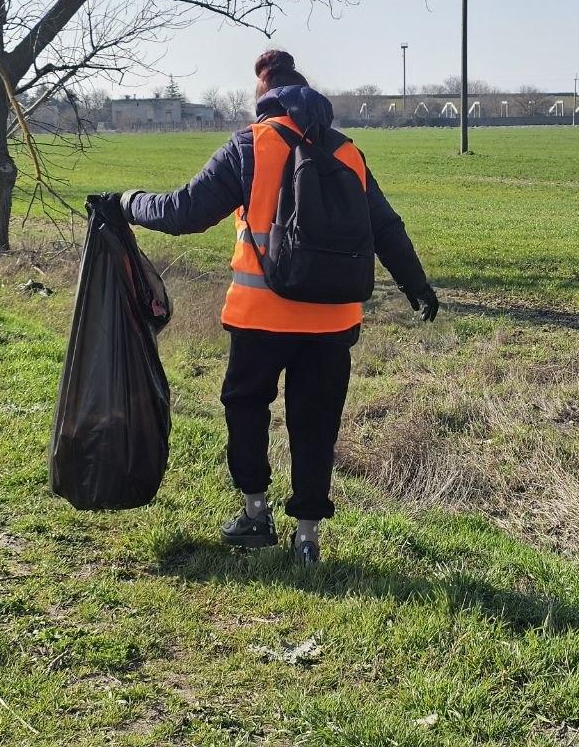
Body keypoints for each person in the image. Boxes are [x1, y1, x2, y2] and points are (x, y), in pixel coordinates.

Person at [111, 50, 438, 565]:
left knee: (246, 408)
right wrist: (417, 285)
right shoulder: (348, 152)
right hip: (334, 320)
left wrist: (126, 201)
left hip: (260, 317)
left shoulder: (250, 145)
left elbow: (183, 211)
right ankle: (307, 535)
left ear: (264, 94)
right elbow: (386, 228)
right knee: (316, 421)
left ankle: (255, 511)